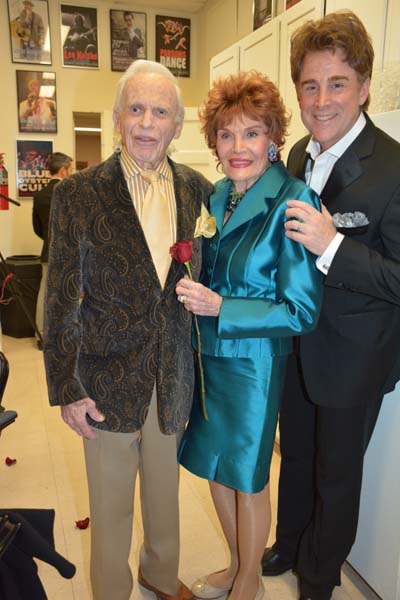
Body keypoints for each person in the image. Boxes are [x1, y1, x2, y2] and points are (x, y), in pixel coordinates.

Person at [43, 59, 213, 600]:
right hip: (104, 380)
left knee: (166, 497)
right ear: (118, 118)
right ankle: (111, 591)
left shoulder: (199, 191)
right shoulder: (79, 194)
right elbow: (61, 297)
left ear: (176, 124)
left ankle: (160, 577)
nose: (146, 123)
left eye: (159, 111)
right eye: (135, 109)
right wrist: (67, 388)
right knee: (111, 506)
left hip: (173, 374)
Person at [261, 11, 400, 600]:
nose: (321, 100)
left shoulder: (395, 167)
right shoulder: (296, 153)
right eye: (310, 85)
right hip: (296, 343)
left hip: (354, 358)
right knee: (294, 455)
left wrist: (333, 246)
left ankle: (318, 577)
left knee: (336, 475)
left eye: (337, 83)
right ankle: (289, 543)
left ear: (364, 86)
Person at [175, 71, 322, 600]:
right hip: (207, 356)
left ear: (273, 139)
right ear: (214, 141)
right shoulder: (217, 196)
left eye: (252, 133)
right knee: (215, 465)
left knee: (248, 475)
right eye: (228, 134)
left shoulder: (293, 199)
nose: (239, 147)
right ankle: (237, 564)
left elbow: (300, 309)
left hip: (255, 363)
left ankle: (250, 581)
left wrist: (221, 305)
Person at [32, 152, 72, 348]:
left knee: (44, 293)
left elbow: (37, 227)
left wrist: (49, 240)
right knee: (67, 293)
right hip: (68, 254)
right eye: (70, 169)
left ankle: (41, 336)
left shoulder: (39, 195)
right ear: (63, 170)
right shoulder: (70, 192)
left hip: (48, 251)